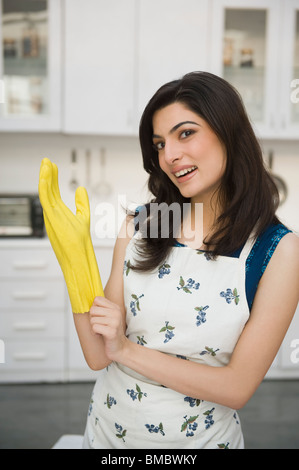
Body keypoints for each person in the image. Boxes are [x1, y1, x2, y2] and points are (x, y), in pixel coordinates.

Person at [40, 72, 299, 449]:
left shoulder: (276, 251)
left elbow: (237, 387)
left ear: (229, 132)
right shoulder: (141, 225)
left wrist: (127, 351)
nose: (170, 156)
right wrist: (74, 260)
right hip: (108, 437)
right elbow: (99, 355)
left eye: (186, 133)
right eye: (159, 144)